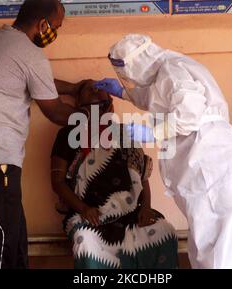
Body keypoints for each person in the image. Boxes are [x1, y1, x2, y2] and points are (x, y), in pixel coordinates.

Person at [0, 0, 89, 269]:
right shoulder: (28, 53)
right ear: (42, 24)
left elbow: (35, 79)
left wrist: (74, 88)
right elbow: (55, 111)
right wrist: (89, 116)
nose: (55, 33)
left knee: (11, 232)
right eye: (55, 27)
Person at [94, 34, 232, 269]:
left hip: (209, 156)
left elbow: (189, 114)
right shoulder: (166, 71)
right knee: (208, 230)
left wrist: (152, 133)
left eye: (125, 72)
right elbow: (156, 97)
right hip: (205, 154)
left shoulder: (172, 70)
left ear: (138, 61)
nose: (126, 78)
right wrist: (124, 92)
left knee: (217, 232)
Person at [50, 80, 178, 269]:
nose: (94, 89)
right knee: (84, 240)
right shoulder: (68, 135)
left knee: (165, 231)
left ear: (110, 105)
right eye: (88, 90)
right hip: (90, 214)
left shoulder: (124, 132)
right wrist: (84, 209)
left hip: (132, 212)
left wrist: (146, 208)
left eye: (100, 91)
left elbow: (141, 175)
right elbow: (58, 182)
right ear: (79, 105)